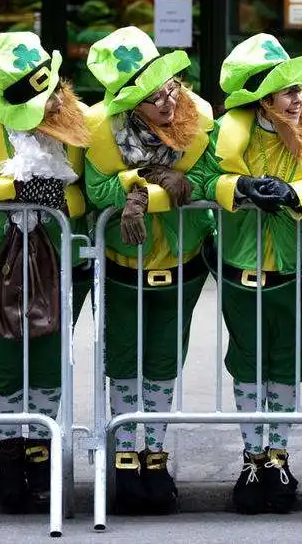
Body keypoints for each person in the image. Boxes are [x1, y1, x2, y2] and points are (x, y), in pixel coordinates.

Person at [198, 34, 302, 515]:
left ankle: (278, 455)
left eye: (299, 89)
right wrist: (237, 186)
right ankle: (251, 458)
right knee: (248, 367)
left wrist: (301, 193)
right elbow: (197, 176)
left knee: (287, 370)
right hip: (241, 271)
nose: (299, 99)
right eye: (287, 91)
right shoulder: (224, 132)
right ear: (262, 97)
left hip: (298, 271)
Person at [0, 31, 92, 514]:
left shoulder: (79, 122)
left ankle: (43, 449)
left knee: (50, 357)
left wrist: (56, 196)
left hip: (60, 262)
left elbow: (90, 192)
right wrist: (7, 187)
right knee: (2, 360)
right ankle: (12, 451)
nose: (52, 103)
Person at [84, 26, 214, 515]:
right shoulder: (100, 130)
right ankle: (122, 460)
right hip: (121, 264)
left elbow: (208, 174)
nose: (166, 102)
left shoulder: (198, 116)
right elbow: (97, 191)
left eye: (168, 89)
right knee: (122, 361)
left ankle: (154, 457)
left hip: (182, 262)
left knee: (163, 362)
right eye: (152, 98)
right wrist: (141, 186)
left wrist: (168, 182)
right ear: (129, 105)